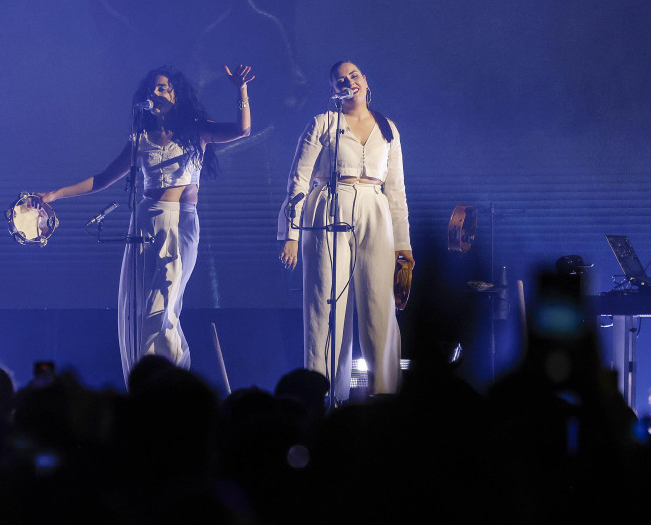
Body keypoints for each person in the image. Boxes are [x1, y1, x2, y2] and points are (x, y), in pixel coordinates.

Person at [36, 65, 254, 384]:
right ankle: (149, 381)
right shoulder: (140, 138)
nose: (157, 93)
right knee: (141, 308)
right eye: (152, 89)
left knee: (162, 306)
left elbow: (242, 130)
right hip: (144, 221)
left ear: (177, 95)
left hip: (181, 222)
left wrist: (241, 91)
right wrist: (56, 194)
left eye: (164, 88)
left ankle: (173, 378)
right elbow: (103, 178)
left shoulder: (197, 130)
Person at [276, 61, 413, 403]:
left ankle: (385, 394)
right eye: (340, 79)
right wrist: (291, 233)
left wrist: (403, 245)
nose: (348, 81)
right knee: (325, 305)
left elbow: (396, 189)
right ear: (334, 90)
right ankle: (321, 396)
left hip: (375, 210)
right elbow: (299, 179)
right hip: (328, 209)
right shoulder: (323, 123)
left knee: (379, 305)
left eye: (354, 75)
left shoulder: (387, 128)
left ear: (366, 80)